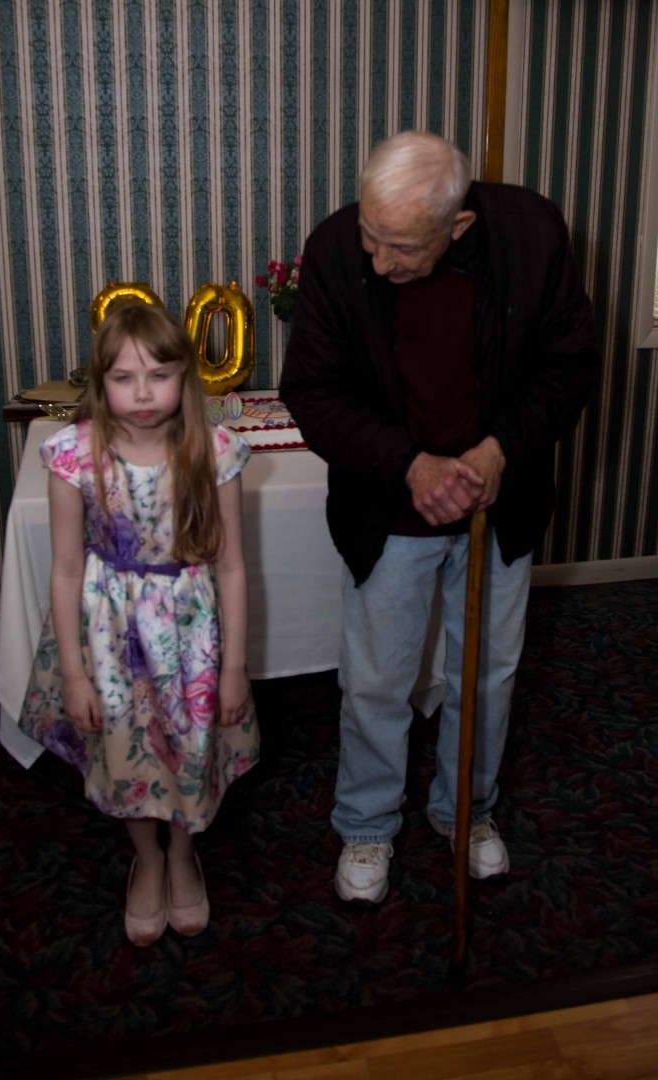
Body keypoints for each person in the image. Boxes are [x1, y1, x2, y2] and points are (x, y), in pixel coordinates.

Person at [279, 131, 598, 903]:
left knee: (486, 677)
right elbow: (314, 392)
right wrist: (409, 465)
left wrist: (498, 450)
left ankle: (467, 811)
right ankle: (366, 825)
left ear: (458, 225)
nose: (379, 261)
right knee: (377, 681)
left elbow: (568, 365)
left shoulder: (531, 236)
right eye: (372, 235)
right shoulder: (335, 250)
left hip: (498, 502)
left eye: (402, 247)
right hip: (389, 507)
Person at [19, 303, 259, 944]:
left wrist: (234, 669)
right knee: (125, 749)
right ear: (101, 382)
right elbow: (65, 570)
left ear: (185, 376)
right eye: (124, 378)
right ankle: (147, 857)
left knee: (187, 746)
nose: (144, 393)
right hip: (109, 639)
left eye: (159, 374)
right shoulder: (74, 455)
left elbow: (233, 567)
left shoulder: (214, 452)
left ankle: (181, 852)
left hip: (189, 637)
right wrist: (74, 675)